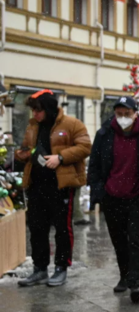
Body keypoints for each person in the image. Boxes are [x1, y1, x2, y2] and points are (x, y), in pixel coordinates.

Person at [87, 96, 139, 303]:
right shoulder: (104, 134)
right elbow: (94, 164)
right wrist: (98, 190)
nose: (123, 118)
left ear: (135, 114)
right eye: (119, 114)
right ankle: (124, 275)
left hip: (137, 197)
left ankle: (135, 282)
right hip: (112, 196)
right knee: (118, 240)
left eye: (127, 114)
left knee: (135, 239)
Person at [15, 90, 91, 288]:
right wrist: (22, 153)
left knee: (62, 229)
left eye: (37, 110)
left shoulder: (72, 124)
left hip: (61, 185)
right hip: (37, 184)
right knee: (37, 227)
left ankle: (61, 268)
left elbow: (85, 147)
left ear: (47, 109)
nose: (34, 114)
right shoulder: (33, 126)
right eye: (32, 110)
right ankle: (39, 268)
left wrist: (61, 157)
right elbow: (26, 147)